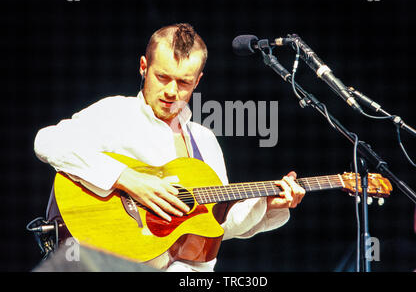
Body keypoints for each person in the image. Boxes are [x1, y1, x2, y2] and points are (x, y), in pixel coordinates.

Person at [34, 23, 305, 271]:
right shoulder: (115, 112)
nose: (171, 92)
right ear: (143, 66)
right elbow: (47, 141)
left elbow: (215, 223)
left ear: (198, 81)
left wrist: (266, 205)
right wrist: (128, 179)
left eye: (184, 82)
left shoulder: (204, 140)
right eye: (163, 77)